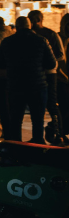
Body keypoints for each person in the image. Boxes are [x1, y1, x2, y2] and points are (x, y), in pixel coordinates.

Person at [0, 16, 56, 143]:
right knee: (38, 120)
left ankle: (17, 148)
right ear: (30, 26)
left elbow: (0, 64)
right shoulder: (41, 40)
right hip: (38, 85)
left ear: (16, 27)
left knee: (16, 120)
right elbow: (51, 64)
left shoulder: (7, 42)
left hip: (15, 86)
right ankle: (37, 146)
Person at [29, 10, 65, 143]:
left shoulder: (50, 34)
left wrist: (45, 62)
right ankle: (46, 136)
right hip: (38, 74)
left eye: (32, 19)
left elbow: (61, 55)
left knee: (51, 104)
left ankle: (58, 134)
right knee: (39, 105)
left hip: (49, 74)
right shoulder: (33, 35)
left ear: (38, 19)